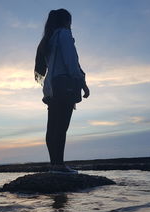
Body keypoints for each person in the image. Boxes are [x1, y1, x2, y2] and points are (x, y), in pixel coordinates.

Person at [34, 8, 90, 174]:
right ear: (66, 21)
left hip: (52, 87)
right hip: (65, 83)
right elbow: (71, 62)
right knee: (61, 126)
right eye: (70, 22)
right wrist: (82, 82)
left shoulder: (48, 39)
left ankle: (55, 164)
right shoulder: (64, 34)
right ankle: (59, 165)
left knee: (53, 126)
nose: (71, 25)